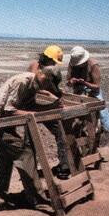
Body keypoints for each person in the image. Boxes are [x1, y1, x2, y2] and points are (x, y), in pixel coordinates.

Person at [0, 66, 63, 211]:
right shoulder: (23, 82)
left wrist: (50, 107)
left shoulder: (33, 84)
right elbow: (9, 110)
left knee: (4, 161)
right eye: (50, 85)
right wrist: (32, 115)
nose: (49, 88)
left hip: (4, 122)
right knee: (25, 154)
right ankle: (36, 198)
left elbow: (30, 107)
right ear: (45, 78)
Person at [28, 45, 70, 179]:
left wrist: (58, 92)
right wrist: (50, 94)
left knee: (60, 132)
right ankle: (31, 173)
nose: (54, 64)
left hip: (45, 104)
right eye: (53, 61)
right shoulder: (35, 66)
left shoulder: (49, 69)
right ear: (48, 58)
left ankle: (64, 166)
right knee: (30, 140)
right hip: (31, 105)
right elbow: (33, 86)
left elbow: (51, 86)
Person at [67, 46, 109, 132]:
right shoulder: (72, 64)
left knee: (101, 110)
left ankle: (108, 129)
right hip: (78, 90)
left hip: (92, 90)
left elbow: (97, 86)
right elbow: (68, 81)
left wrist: (85, 83)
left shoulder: (93, 65)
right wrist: (71, 82)